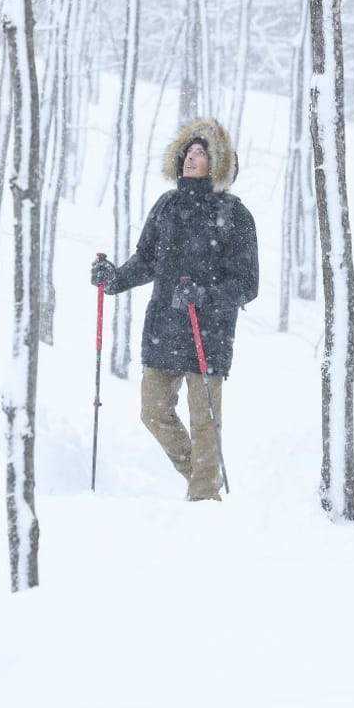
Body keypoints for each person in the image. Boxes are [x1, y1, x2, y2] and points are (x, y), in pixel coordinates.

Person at [91, 117, 259, 501]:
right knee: (153, 413)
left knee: (205, 424)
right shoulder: (167, 205)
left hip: (208, 334)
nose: (191, 158)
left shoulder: (235, 215)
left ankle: (204, 501)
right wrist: (114, 279)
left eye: (201, 153)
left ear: (216, 163)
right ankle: (201, 477)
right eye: (188, 152)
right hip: (164, 329)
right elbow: (147, 259)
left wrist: (205, 294)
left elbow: (247, 285)